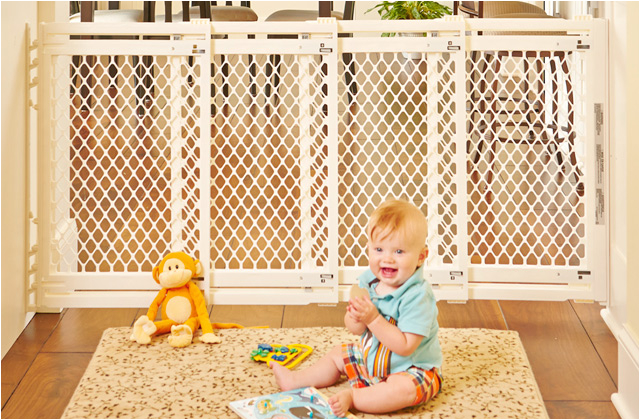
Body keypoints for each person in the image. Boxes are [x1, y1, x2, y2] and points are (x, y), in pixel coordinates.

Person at [271, 199, 442, 417]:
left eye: (399, 251)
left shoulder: (418, 296)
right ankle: (296, 380)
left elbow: (406, 346)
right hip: (372, 361)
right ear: (369, 249)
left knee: (404, 390)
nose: (387, 258)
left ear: (420, 257)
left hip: (411, 369)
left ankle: (354, 397)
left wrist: (373, 319)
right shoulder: (368, 281)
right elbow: (357, 330)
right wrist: (355, 317)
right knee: (338, 354)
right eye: (379, 249)